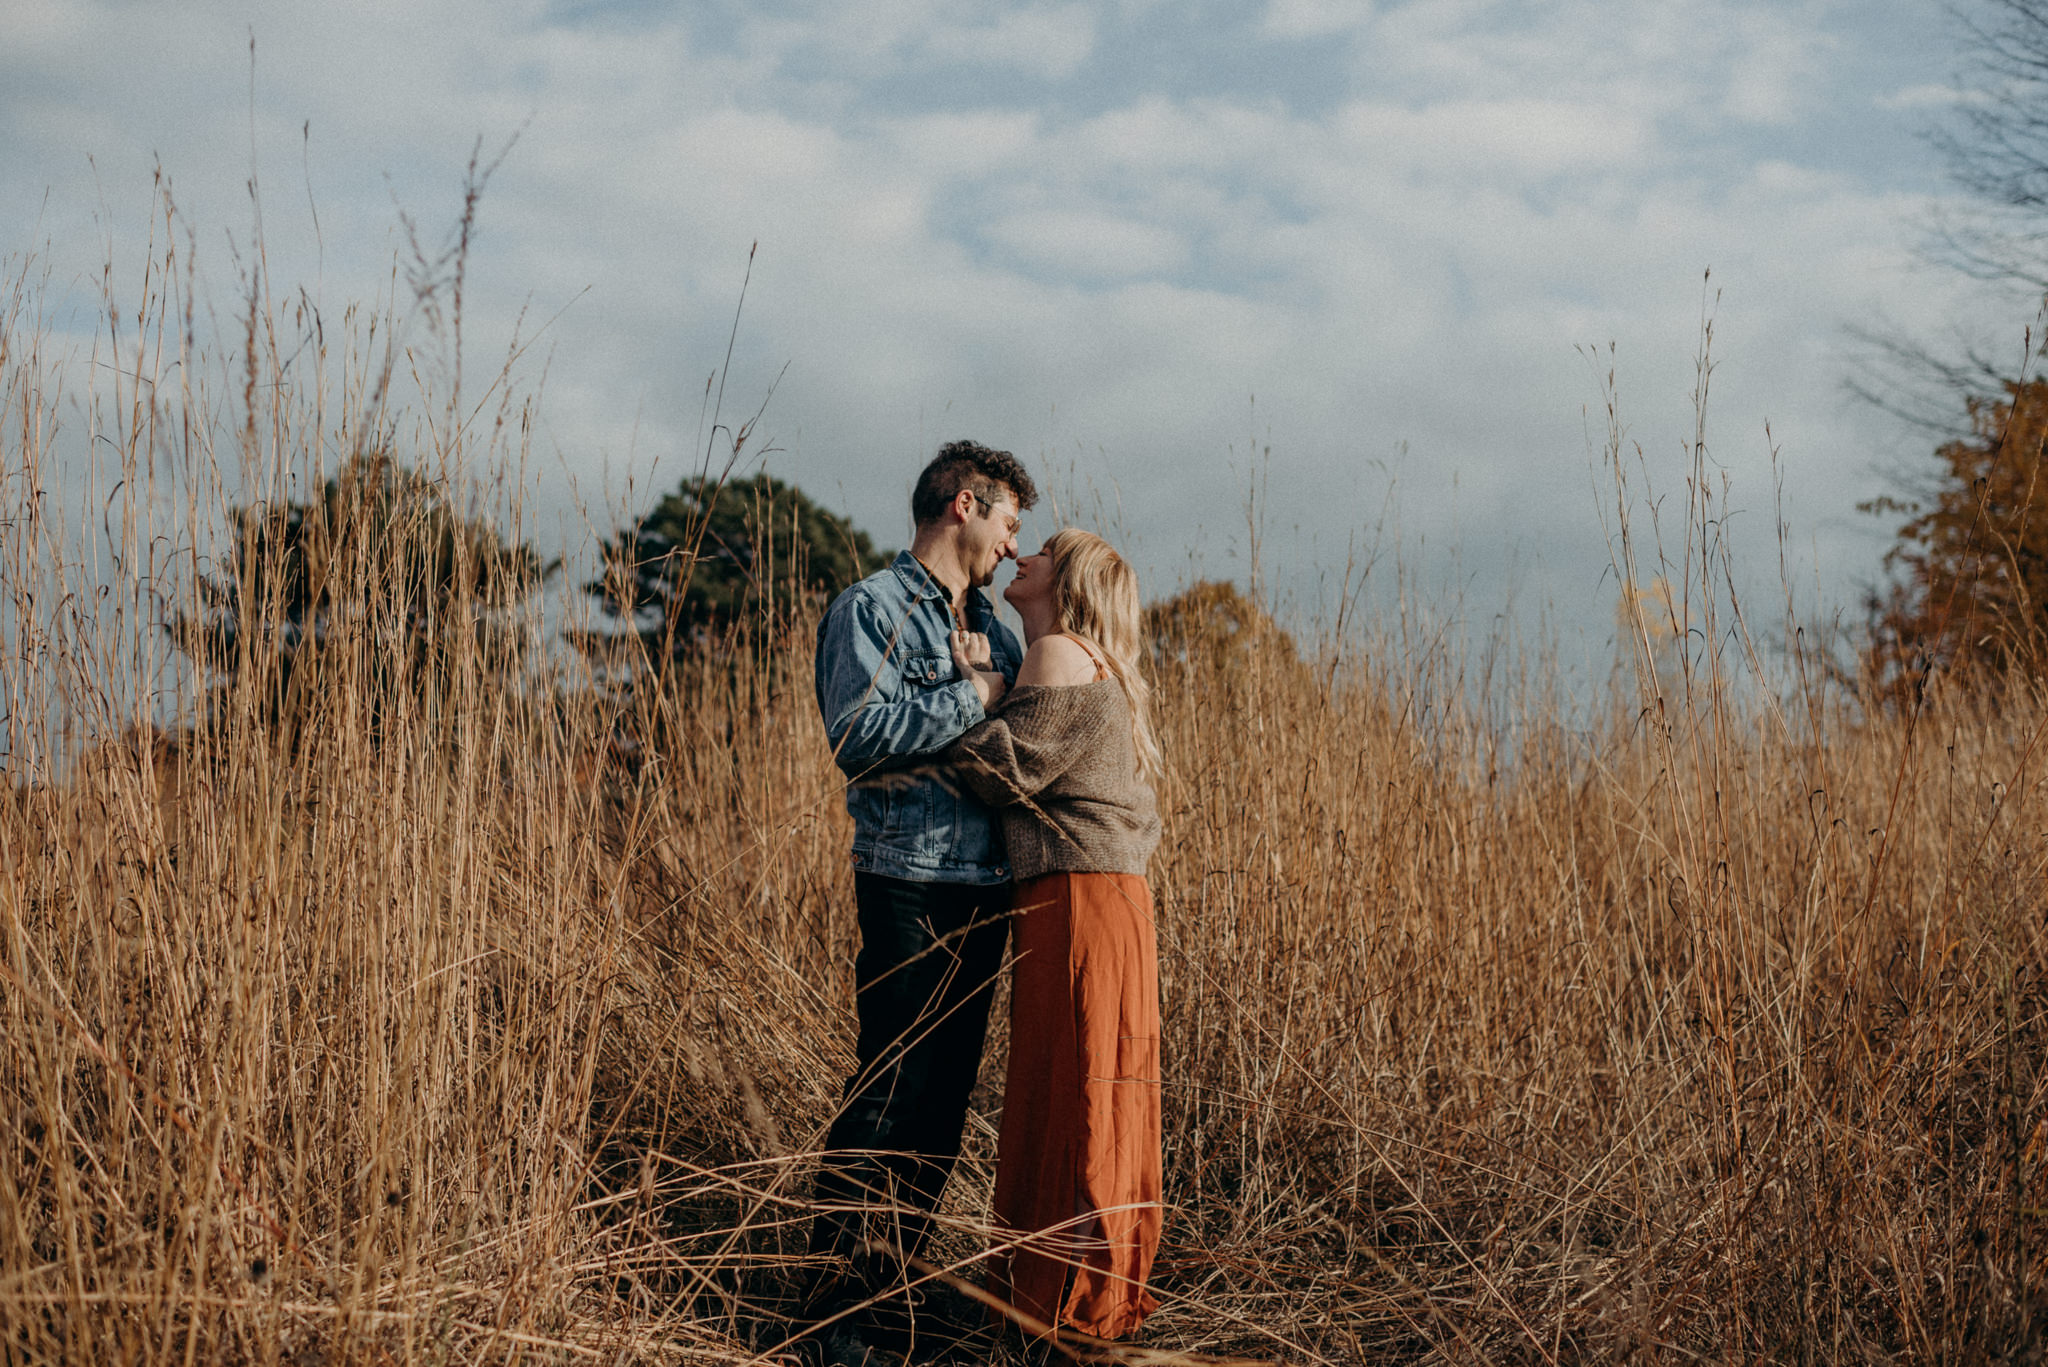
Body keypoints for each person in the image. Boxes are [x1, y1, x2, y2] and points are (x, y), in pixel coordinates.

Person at [802, 439, 1039, 1358]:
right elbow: (858, 733)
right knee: (891, 1086)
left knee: (945, 1104)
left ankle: (892, 1280)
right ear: (964, 505)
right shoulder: (871, 609)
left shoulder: (1000, 627)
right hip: (905, 878)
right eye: (1010, 520)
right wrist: (972, 691)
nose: (1016, 545)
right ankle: (831, 1306)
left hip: (984, 887)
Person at [945, 528, 1165, 1344]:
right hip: (1109, 899)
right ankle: (1094, 1291)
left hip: (1073, 896)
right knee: (1105, 1081)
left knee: (1070, 1083)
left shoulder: (1057, 655)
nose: (1020, 557)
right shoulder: (1095, 663)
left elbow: (994, 772)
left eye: (1042, 550)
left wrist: (978, 687)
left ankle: (1060, 1298)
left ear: (1066, 579)